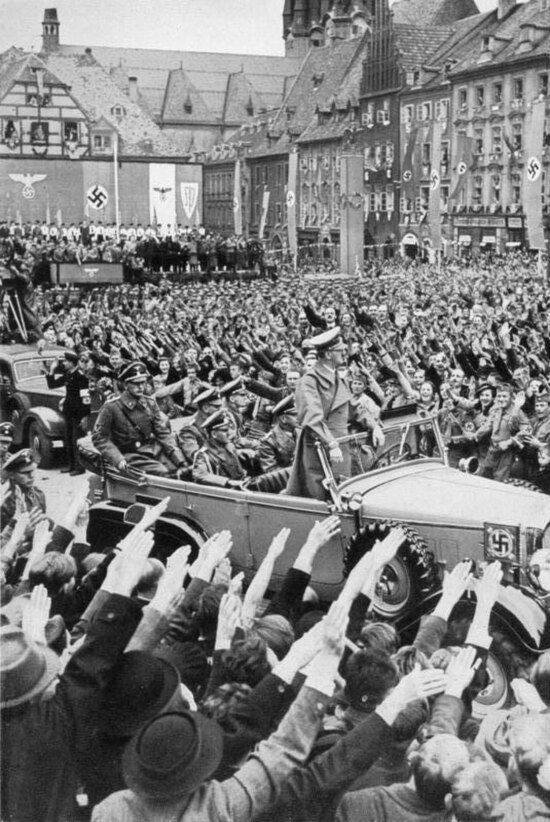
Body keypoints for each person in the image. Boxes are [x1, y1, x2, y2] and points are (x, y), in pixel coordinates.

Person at [286, 327, 372, 500]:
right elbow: (312, 416)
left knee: (345, 491)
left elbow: (353, 408)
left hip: (340, 444)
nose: (344, 353)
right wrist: (331, 443)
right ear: (328, 354)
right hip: (320, 447)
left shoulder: (338, 379)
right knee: (321, 496)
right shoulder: (308, 381)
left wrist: (374, 425)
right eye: (340, 350)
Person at [92, 361, 187, 476]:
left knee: (181, 468)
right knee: (163, 473)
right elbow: (99, 437)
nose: (141, 387)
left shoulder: (150, 403)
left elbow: (162, 433)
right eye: (136, 384)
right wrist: (117, 458)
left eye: (143, 383)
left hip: (152, 449)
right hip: (131, 454)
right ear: (126, 385)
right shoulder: (112, 407)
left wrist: (177, 456)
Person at [46, 350, 90, 475]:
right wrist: (51, 371)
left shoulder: (81, 376)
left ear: (72, 363)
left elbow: (86, 398)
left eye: (65, 361)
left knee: (77, 440)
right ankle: (71, 466)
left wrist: (85, 416)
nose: (63, 363)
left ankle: (79, 467)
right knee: (69, 439)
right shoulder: (69, 375)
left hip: (78, 414)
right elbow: (52, 384)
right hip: (69, 412)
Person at [192, 410, 249, 489]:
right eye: (225, 430)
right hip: (222, 492)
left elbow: (239, 472)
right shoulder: (203, 454)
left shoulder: (230, 446)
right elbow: (200, 475)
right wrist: (228, 482)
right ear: (214, 434)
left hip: (239, 488)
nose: (229, 433)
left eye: (229, 429)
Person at [258, 396, 297, 473]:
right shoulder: (268, 441)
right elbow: (271, 471)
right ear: (284, 419)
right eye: (296, 415)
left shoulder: (301, 433)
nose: (301, 418)